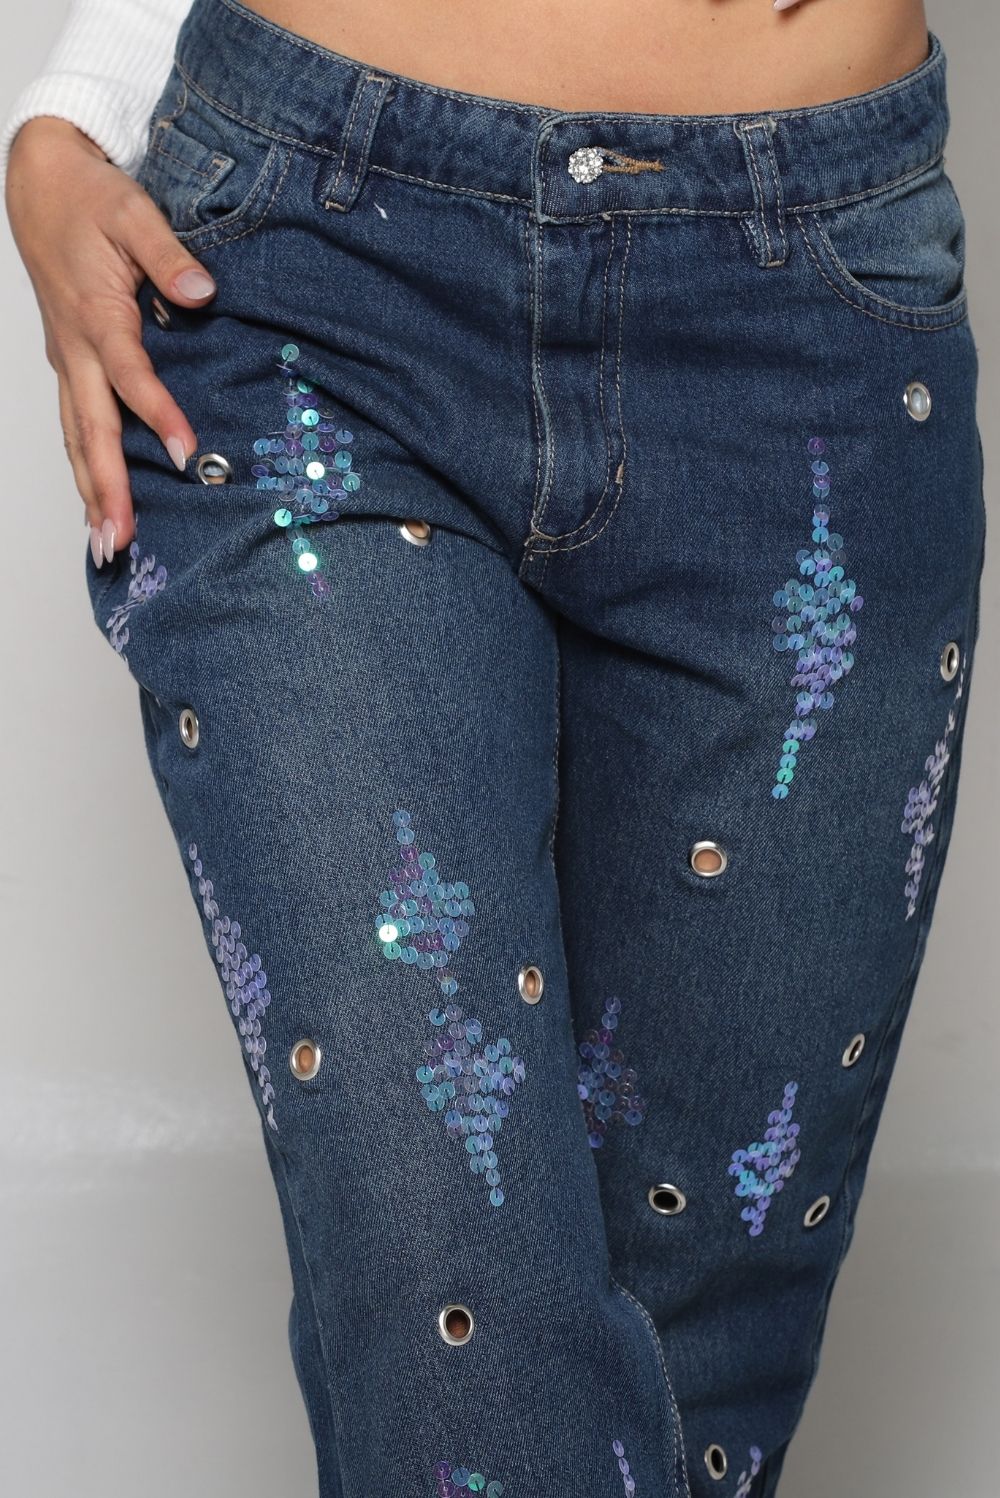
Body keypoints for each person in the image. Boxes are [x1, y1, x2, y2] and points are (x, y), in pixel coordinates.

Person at [2, 2, 986, 1495]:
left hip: (814, 323)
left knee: (702, 1361)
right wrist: (84, 96)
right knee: (458, 1335)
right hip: (309, 275)